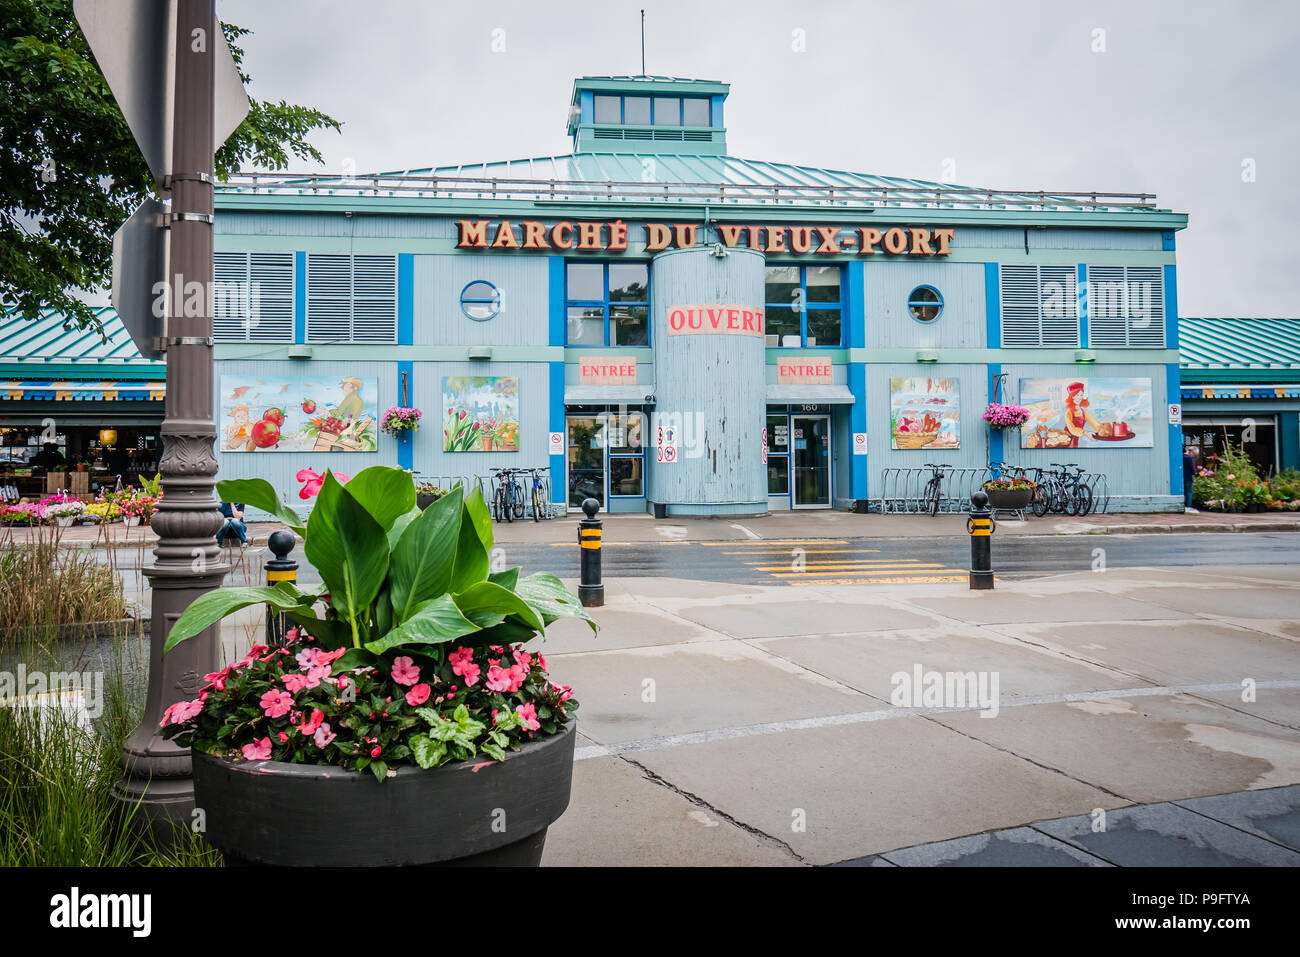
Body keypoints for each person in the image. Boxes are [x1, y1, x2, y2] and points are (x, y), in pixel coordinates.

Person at [1183, 446, 1200, 513]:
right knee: (1189, 492)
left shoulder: (1181, 456)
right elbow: (1192, 469)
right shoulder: (1189, 458)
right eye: (1194, 455)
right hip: (1188, 477)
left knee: (1183, 492)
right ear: (1191, 452)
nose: (1194, 457)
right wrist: (1195, 473)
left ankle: (1183, 506)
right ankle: (1189, 507)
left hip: (1182, 477)